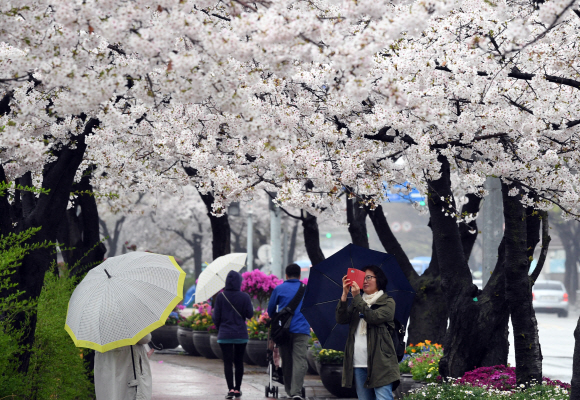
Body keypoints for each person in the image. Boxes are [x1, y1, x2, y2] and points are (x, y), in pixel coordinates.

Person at [335, 265, 400, 400]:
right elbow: (341, 319)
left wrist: (357, 297)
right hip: (358, 362)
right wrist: (344, 295)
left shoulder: (388, 302)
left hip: (381, 363)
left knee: (383, 398)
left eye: (369, 277)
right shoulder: (357, 302)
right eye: (362, 278)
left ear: (379, 280)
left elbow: (373, 317)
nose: (365, 281)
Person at [267, 263, 310, 400]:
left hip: (283, 332)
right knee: (299, 360)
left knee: (286, 360)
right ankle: (296, 392)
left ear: (286, 275)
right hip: (302, 330)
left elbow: (270, 311)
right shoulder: (307, 289)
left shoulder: (279, 289)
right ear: (299, 275)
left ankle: (290, 392)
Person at [213, 270, 254, 399]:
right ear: (239, 282)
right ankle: (237, 389)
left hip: (225, 334)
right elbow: (250, 314)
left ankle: (230, 389)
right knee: (239, 362)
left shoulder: (221, 296)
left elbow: (216, 317)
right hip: (240, 334)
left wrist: (221, 328)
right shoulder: (245, 297)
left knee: (227, 362)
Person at [94, 333, 153, 400]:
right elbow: (145, 337)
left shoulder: (96, 326)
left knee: (109, 392)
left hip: (105, 362)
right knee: (128, 393)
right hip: (128, 362)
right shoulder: (126, 324)